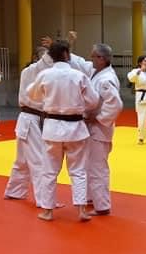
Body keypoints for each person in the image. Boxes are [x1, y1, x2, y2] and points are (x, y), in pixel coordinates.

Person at [26, 39, 99, 222]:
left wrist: (48, 98)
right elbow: (93, 100)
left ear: (51, 55)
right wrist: (78, 104)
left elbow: (31, 94)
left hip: (52, 128)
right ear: (67, 54)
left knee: (49, 171)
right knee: (78, 170)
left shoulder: (45, 75)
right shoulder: (78, 75)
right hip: (76, 128)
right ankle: (81, 210)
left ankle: (47, 211)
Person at [4, 46, 48, 203]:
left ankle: (14, 191)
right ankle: (45, 200)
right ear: (36, 58)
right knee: (39, 160)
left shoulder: (42, 73)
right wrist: (62, 44)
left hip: (30, 120)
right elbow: (45, 62)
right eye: (44, 56)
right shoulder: (31, 71)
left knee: (22, 160)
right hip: (31, 119)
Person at [85, 43, 123, 215]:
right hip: (94, 129)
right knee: (90, 165)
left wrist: (98, 117)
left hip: (99, 129)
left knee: (97, 168)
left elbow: (115, 104)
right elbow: (79, 63)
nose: (91, 58)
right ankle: (92, 198)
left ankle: (102, 206)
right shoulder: (97, 73)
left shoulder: (106, 79)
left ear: (101, 58)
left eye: (93, 56)